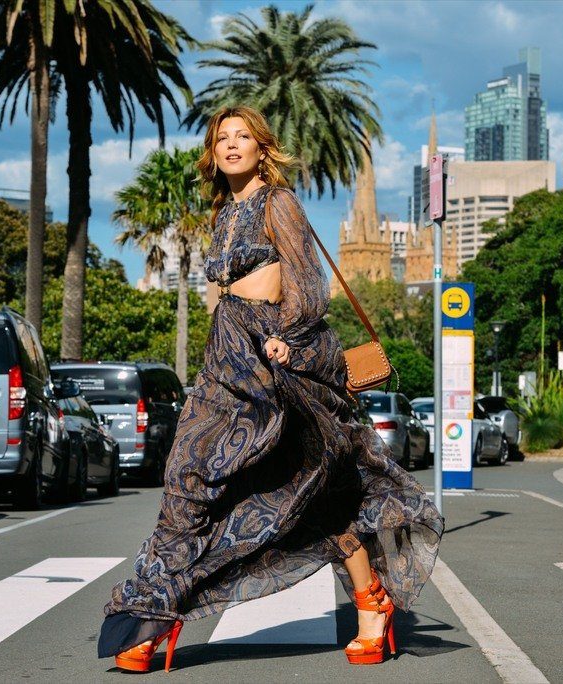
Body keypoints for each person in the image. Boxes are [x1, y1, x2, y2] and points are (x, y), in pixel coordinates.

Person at [98, 105, 444, 672]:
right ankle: (151, 615)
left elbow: (307, 280)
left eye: (243, 136)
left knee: (308, 487)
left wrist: (288, 333)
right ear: (213, 152)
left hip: (275, 355)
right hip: (225, 358)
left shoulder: (278, 202)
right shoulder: (222, 209)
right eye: (222, 138)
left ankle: (370, 604)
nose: (232, 145)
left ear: (263, 147)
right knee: (189, 479)